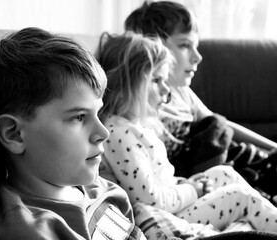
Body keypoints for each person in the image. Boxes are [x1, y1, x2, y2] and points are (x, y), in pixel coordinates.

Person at [0, 27, 149, 240]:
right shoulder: (29, 230)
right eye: (79, 117)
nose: (103, 132)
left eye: (98, 113)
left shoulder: (100, 187)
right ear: (14, 134)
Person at [96, 31, 277, 238]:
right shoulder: (119, 134)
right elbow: (149, 200)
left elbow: (158, 181)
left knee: (223, 173)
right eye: (156, 80)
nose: (166, 90)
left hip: (174, 201)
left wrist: (184, 184)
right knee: (241, 198)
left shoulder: (134, 126)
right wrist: (192, 190)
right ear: (125, 84)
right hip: (164, 215)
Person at [124, 1, 277, 196]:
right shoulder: (137, 107)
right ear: (152, 48)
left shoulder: (181, 92)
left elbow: (221, 126)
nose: (198, 57)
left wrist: (272, 146)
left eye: (195, 46)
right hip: (199, 179)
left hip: (234, 159)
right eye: (185, 45)